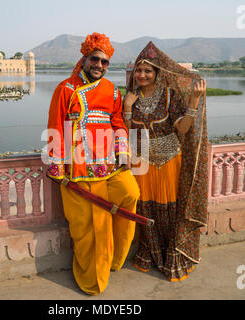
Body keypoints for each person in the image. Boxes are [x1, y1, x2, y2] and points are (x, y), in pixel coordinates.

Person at [46, 32, 140, 295]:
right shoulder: (66, 89)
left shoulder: (112, 91)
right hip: (77, 171)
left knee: (131, 194)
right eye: (95, 59)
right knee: (92, 226)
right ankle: (92, 280)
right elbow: (55, 126)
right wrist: (57, 169)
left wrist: (123, 154)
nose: (100, 65)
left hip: (110, 165)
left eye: (105, 62)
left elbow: (118, 123)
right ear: (85, 59)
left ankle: (115, 257)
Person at [123, 41, 208, 282]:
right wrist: (127, 109)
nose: (142, 74)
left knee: (171, 211)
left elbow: (182, 129)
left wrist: (193, 102)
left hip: (170, 162)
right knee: (146, 210)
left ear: (158, 73)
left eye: (148, 70)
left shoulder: (170, 96)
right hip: (142, 165)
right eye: (139, 70)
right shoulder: (130, 97)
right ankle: (150, 256)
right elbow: (126, 132)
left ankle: (173, 257)